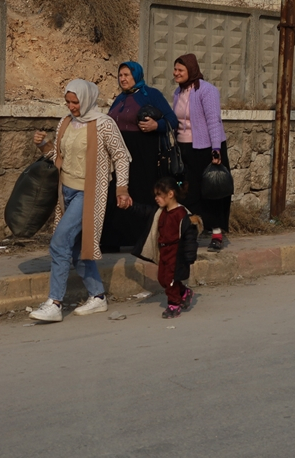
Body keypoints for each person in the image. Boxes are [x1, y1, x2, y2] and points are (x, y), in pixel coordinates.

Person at [29, 79, 132, 323]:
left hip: (88, 194)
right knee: (77, 248)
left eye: (75, 102)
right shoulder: (65, 122)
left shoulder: (104, 124)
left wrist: (122, 188)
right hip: (66, 192)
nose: (72, 106)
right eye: (68, 102)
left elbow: (121, 156)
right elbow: (59, 156)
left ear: (86, 99)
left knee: (59, 242)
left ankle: (55, 303)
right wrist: (44, 144)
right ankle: (97, 296)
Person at [103, 61, 178, 252]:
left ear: (136, 75)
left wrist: (156, 125)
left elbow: (172, 120)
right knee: (117, 194)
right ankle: (113, 240)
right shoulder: (120, 98)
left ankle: (142, 240)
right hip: (119, 157)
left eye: (127, 75)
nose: (123, 79)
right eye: (120, 75)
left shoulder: (150, 95)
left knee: (141, 195)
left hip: (143, 155)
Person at [172, 53, 231, 252]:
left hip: (206, 149)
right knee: (187, 191)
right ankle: (192, 232)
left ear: (191, 70)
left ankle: (217, 234)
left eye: (180, 70)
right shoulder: (177, 93)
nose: (176, 73)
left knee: (211, 193)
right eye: (175, 69)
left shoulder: (206, 90)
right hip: (185, 150)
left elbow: (214, 120)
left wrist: (216, 150)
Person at [131, 177, 200, 319]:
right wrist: (130, 205)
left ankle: (174, 304)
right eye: (155, 195)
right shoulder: (160, 212)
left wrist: (189, 255)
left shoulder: (182, 214)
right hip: (164, 251)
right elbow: (144, 210)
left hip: (175, 252)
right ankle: (184, 292)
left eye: (159, 195)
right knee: (163, 279)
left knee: (170, 279)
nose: (156, 198)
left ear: (170, 194)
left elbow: (190, 236)